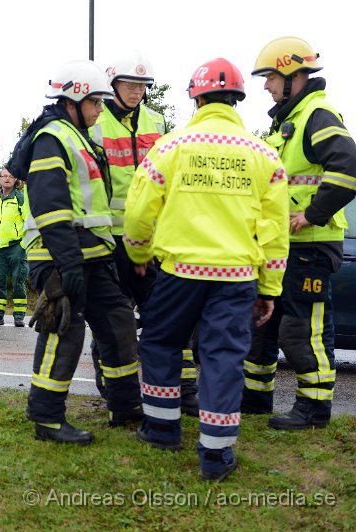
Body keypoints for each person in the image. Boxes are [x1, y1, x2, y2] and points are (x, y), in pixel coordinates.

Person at [124, 58, 289, 481]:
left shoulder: (171, 146)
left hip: (179, 271)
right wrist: (270, 287)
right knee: (223, 359)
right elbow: (274, 233)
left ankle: (161, 428)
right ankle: (215, 455)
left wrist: (140, 256)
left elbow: (140, 213)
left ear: (196, 97)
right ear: (237, 98)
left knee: (160, 342)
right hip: (236, 278)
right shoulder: (264, 155)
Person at [20, 59, 140, 445]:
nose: (101, 109)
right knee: (64, 331)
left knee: (119, 325)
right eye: (95, 102)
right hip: (59, 256)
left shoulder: (78, 135)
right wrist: (68, 262)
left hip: (91, 256)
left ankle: (125, 408)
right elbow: (50, 207)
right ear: (73, 99)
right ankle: (47, 419)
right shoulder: (52, 138)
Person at [243, 37, 356, 429]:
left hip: (309, 246)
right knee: (264, 326)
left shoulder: (317, 115)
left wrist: (313, 213)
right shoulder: (288, 120)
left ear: (294, 75)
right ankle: (255, 399)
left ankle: (313, 410)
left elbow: (348, 166)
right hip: (283, 248)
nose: (266, 86)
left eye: (271, 76)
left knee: (302, 331)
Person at [89, 50, 200, 418]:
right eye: (129, 84)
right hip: (109, 238)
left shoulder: (157, 120)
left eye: (141, 85)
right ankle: (116, 392)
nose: (136, 91)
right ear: (112, 85)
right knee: (111, 321)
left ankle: (184, 392)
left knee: (168, 316)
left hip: (151, 239)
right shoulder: (95, 121)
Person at [0, 168, 28, 327]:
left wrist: (24, 244)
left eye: (10, 176)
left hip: (17, 246)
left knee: (18, 280)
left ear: (15, 180)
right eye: (4, 176)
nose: (7, 179)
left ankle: (19, 316)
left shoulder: (20, 198)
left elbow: (28, 221)